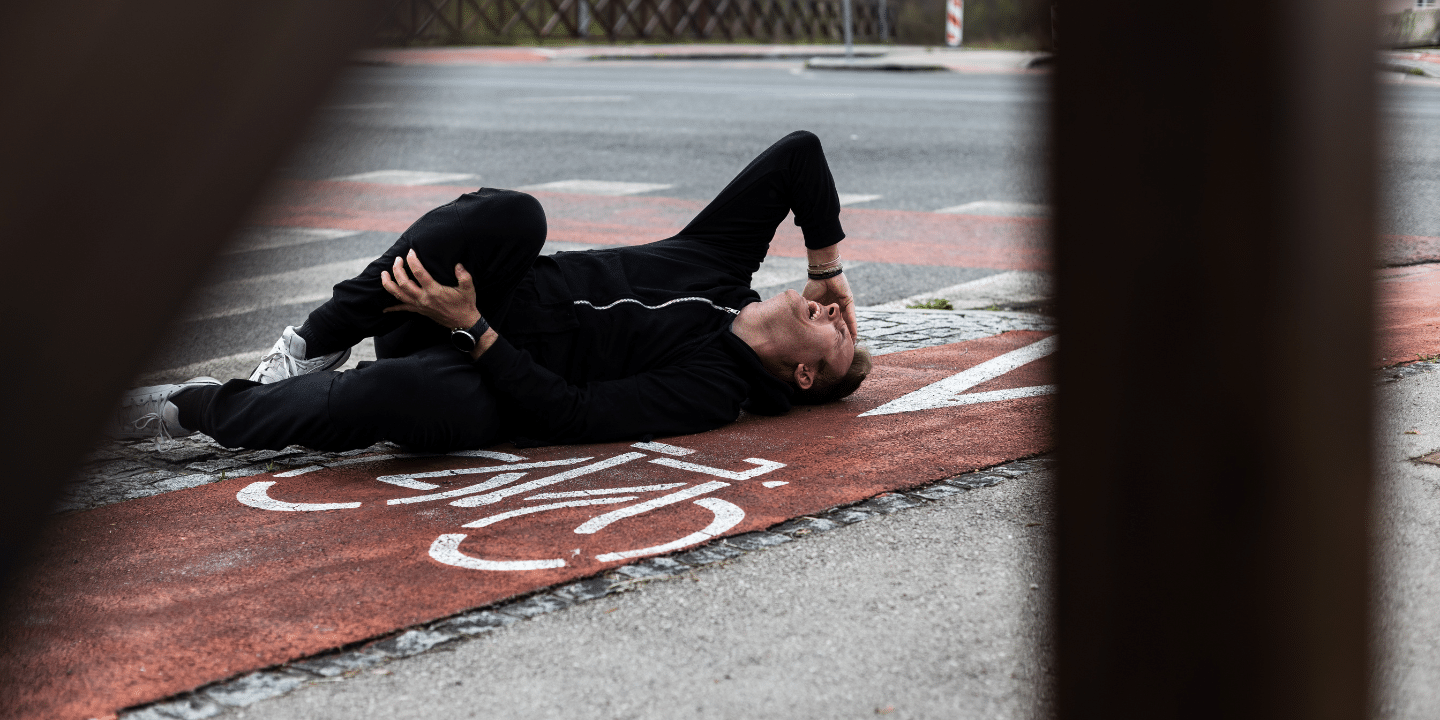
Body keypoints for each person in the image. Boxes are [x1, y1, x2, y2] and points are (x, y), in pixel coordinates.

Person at [112, 131, 872, 451]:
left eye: (839, 334)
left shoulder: (713, 393)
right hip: (470, 294)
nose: (835, 315)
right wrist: (826, 268)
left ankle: (199, 407)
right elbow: (798, 155)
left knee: (392, 400)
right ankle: (311, 347)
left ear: (804, 374)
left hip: (485, 374)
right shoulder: (719, 261)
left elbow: (574, 415)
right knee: (516, 213)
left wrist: (475, 331)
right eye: (841, 312)